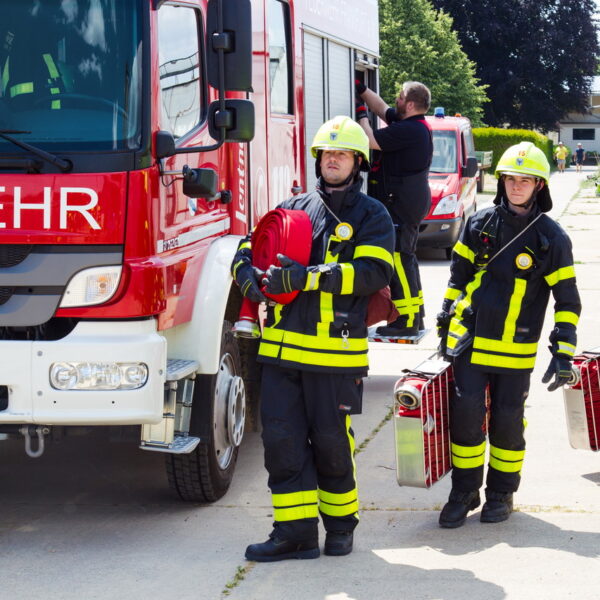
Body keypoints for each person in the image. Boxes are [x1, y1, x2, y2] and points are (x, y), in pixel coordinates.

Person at [232, 116, 395, 561]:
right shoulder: (295, 207)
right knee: (282, 445)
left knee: (331, 445)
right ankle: (295, 534)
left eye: (341, 154)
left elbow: (375, 272)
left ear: (357, 162)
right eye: (326, 153)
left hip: (334, 355)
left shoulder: (372, 215)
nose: (332, 160)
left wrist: (311, 277)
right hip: (281, 354)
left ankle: (341, 527)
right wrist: (245, 274)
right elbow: (249, 246)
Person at [436, 141, 581, 528]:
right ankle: (464, 491)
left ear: (539, 185)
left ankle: (501, 493)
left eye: (525, 180)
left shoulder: (552, 239)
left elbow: (567, 300)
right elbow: (458, 278)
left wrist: (563, 350)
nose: (516, 186)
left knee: (507, 421)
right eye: (510, 179)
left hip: (516, 349)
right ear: (501, 182)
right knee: (466, 418)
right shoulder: (479, 223)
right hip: (471, 343)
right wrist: (445, 316)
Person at [355, 80, 433, 336]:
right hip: (406, 203)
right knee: (406, 260)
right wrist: (363, 91)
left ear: (410, 104)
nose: (396, 100)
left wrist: (360, 115)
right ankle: (415, 316)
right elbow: (383, 109)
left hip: (402, 205)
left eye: (400, 97)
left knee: (399, 260)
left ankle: (406, 321)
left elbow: (371, 140)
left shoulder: (411, 129)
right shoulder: (411, 125)